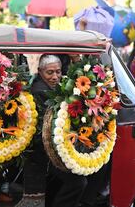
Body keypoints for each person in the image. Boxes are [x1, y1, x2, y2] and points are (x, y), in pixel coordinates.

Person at [30, 55, 88, 207]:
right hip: (43, 150)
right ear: (40, 72)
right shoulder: (39, 90)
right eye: (50, 73)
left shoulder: (54, 87)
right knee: (78, 182)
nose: (55, 77)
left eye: (58, 71)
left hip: (54, 144)